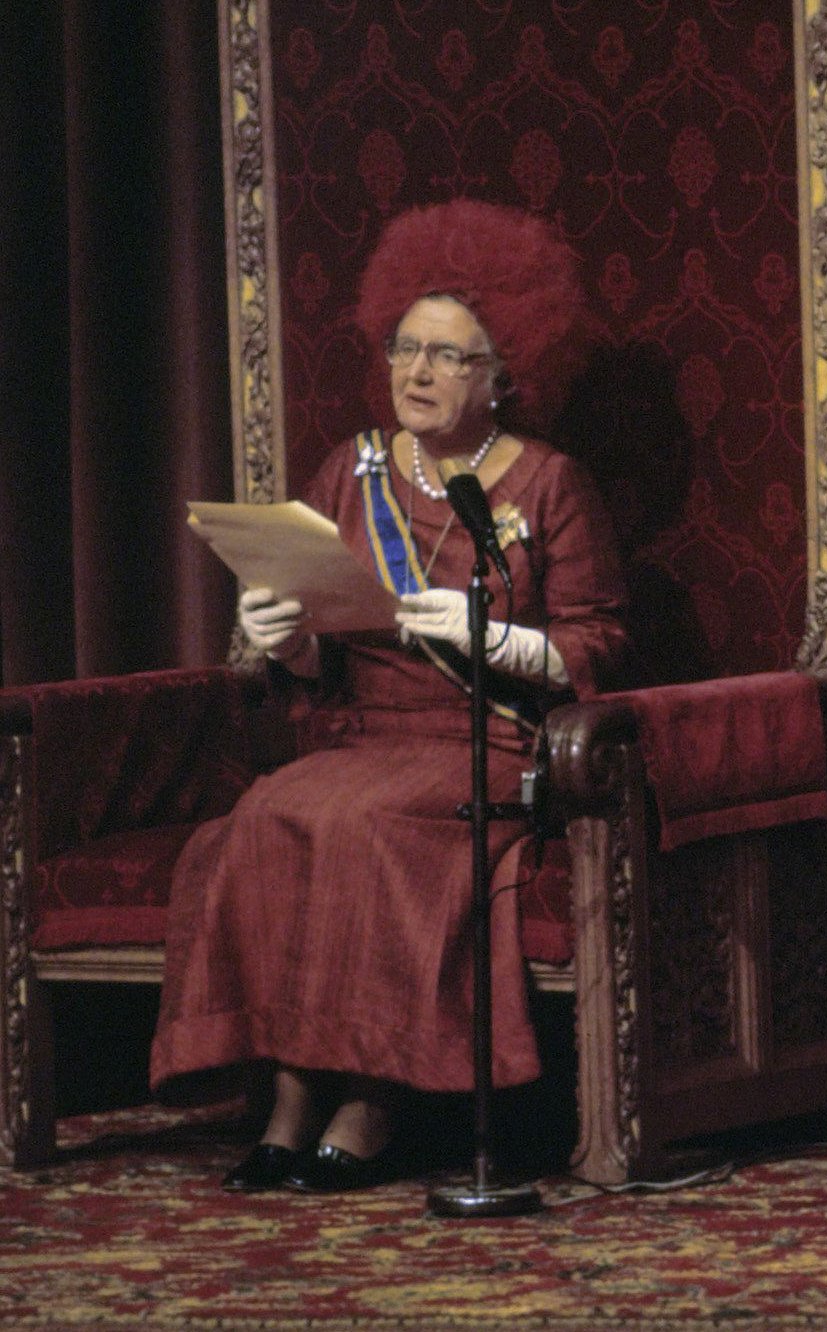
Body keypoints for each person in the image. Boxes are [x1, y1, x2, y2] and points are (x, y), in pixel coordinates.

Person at [150, 199, 627, 1193]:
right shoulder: (350, 469)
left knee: (367, 825)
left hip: (487, 742)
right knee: (266, 816)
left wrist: (497, 638)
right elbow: (322, 628)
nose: (416, 372)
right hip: (360, 736)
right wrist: (285, 640)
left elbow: (605, 643)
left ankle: (376, 1099)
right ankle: (287, 1095)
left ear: (506, 371)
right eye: (405, 348)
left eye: (448, 357)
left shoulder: (548, 485)